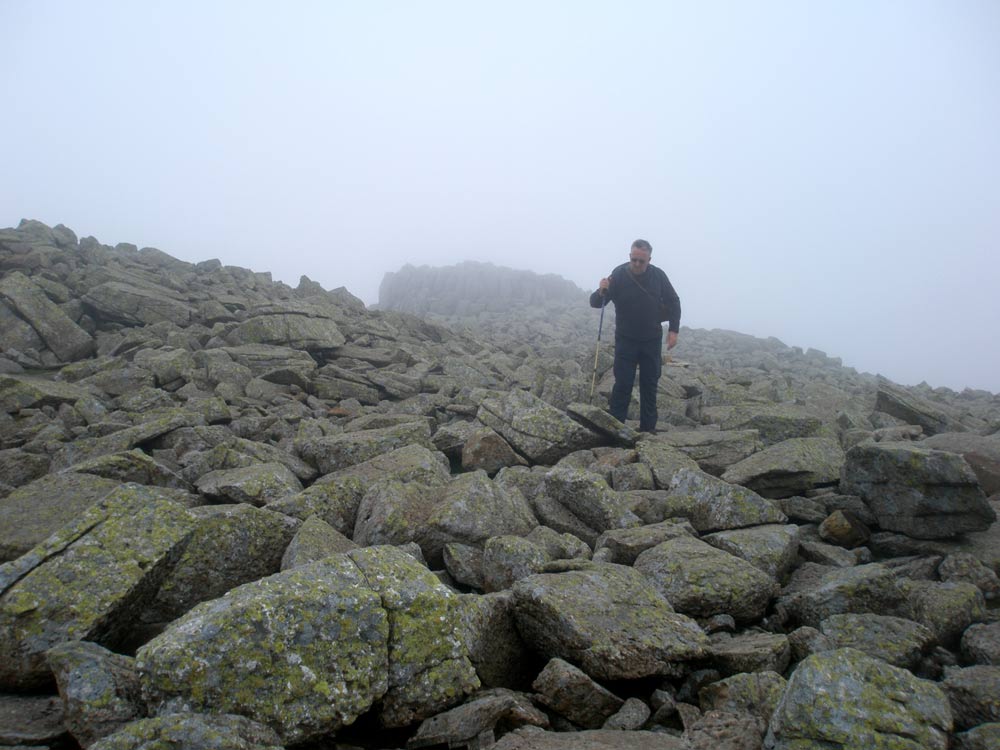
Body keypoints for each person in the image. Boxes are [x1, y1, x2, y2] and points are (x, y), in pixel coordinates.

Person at [589, 239, 681, 433]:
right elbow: (597, 303)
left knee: (649, 384)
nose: (637, 264)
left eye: (642, 261)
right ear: (630, 256)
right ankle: (615, 429)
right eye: (634, 259)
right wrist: (601, 290)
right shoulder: (619, 274)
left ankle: (648, 430)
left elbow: (674, 301)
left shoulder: (658, 276)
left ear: (649, 259)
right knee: (623, 383)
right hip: (626, 339)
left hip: (651, 339)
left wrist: (674, 330)